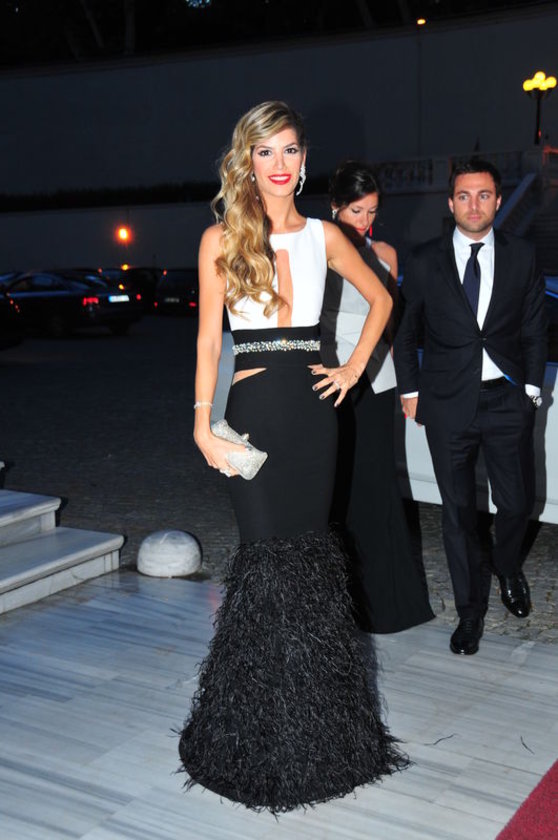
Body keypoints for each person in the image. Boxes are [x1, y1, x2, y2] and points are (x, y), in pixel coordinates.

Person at [178, 101, 408, 813]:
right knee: (264, 565)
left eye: (290, 150)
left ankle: (319, 738)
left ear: (304, 160)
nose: (279, 164)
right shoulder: (220, 238)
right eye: (265, 151)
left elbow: (382, 300)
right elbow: (208, 341)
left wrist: (353, 370)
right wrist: (201, 422)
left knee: (308, 567)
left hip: (313, 416)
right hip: (251, 412)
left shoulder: (326, 235)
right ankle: (248, 736)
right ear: (247, 161)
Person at [394, 158, 547, 656]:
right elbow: (406, 332)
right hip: (446, 404)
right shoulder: (425, 260)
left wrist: (529, 390)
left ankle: (507, 566)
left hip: (507, 399)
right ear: (451, 202)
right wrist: (410, 391)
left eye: (483, 195)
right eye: (464, 196)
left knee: (517, 504)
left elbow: (534, 328)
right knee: (457, 514)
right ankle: (469, 612)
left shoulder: (523, 255)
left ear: (498, 201)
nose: (473, 205)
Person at [320, 160, 434, 633]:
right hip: (330, 381)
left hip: (378, 384)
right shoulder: (315, 249)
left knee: (378, 490)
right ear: (335, 207)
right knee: (334, 491)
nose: (365, 221)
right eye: (356, 211)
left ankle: (384, 606)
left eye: (371, 212)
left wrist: (409, 385)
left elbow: (396, 329)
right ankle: (335, 605)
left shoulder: (386, 253)